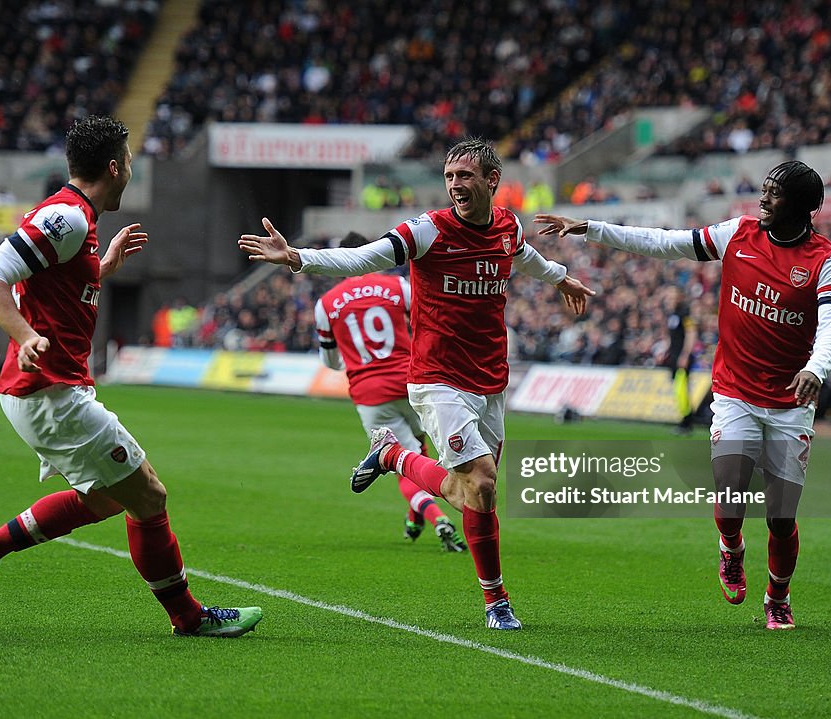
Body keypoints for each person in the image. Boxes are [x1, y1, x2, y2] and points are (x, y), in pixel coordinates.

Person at [241, 138, 595, 630]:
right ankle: (496, 600)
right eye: (449, 178)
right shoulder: (429, 230)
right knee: (483, 480)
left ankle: (393, 457)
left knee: (478, 494)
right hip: (437, 377)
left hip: (491, 378)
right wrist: (298, 257)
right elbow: (364, 258)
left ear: (491, 181)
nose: (455, 186)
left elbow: (525, 256)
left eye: (465, 177)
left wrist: (560, 278)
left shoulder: (508, 226)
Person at [0, 116, 262, 638]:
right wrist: (26, 337)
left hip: (43, 390)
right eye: (131, 163)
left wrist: (102, 268)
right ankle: (189, 616)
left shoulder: (75, 221)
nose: (131, 173)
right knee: (150, 497)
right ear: (114, 167)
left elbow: (55, 285)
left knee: (105, 499)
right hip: (50, 391)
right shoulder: (67, 217)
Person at [535, 160, 831, 631]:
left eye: (774, 193)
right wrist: (591, 228)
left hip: (788, 403)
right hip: (735, 393)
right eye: (763, 190)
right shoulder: (737, 235)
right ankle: (731, 548)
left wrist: (815, 368)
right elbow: (665, 242)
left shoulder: (826, 260)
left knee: (782, 519)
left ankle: (777, 599)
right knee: (730, 499)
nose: (762, 199)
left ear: (802, 207)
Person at [315, 231, 466, 552]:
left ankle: (437, 516)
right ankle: (416, 520)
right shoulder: (398, 287)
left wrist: (357, 363)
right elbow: (428, 326)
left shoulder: (326, 304)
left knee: (399, 460)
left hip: (370, 394)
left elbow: (330, 361)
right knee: (421, 452)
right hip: (412, 381)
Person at [663, 286, 700, 435]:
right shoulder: (672, 314)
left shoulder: (685, 313)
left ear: (679, 297)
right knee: (678, 390)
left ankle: (687, 422)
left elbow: (691, 334)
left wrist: (685, 355)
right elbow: (671, 335)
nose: (669, 298)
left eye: (672, 295)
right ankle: (684, 419)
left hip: (682, 357)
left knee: (681, 389)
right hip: (674, 356)